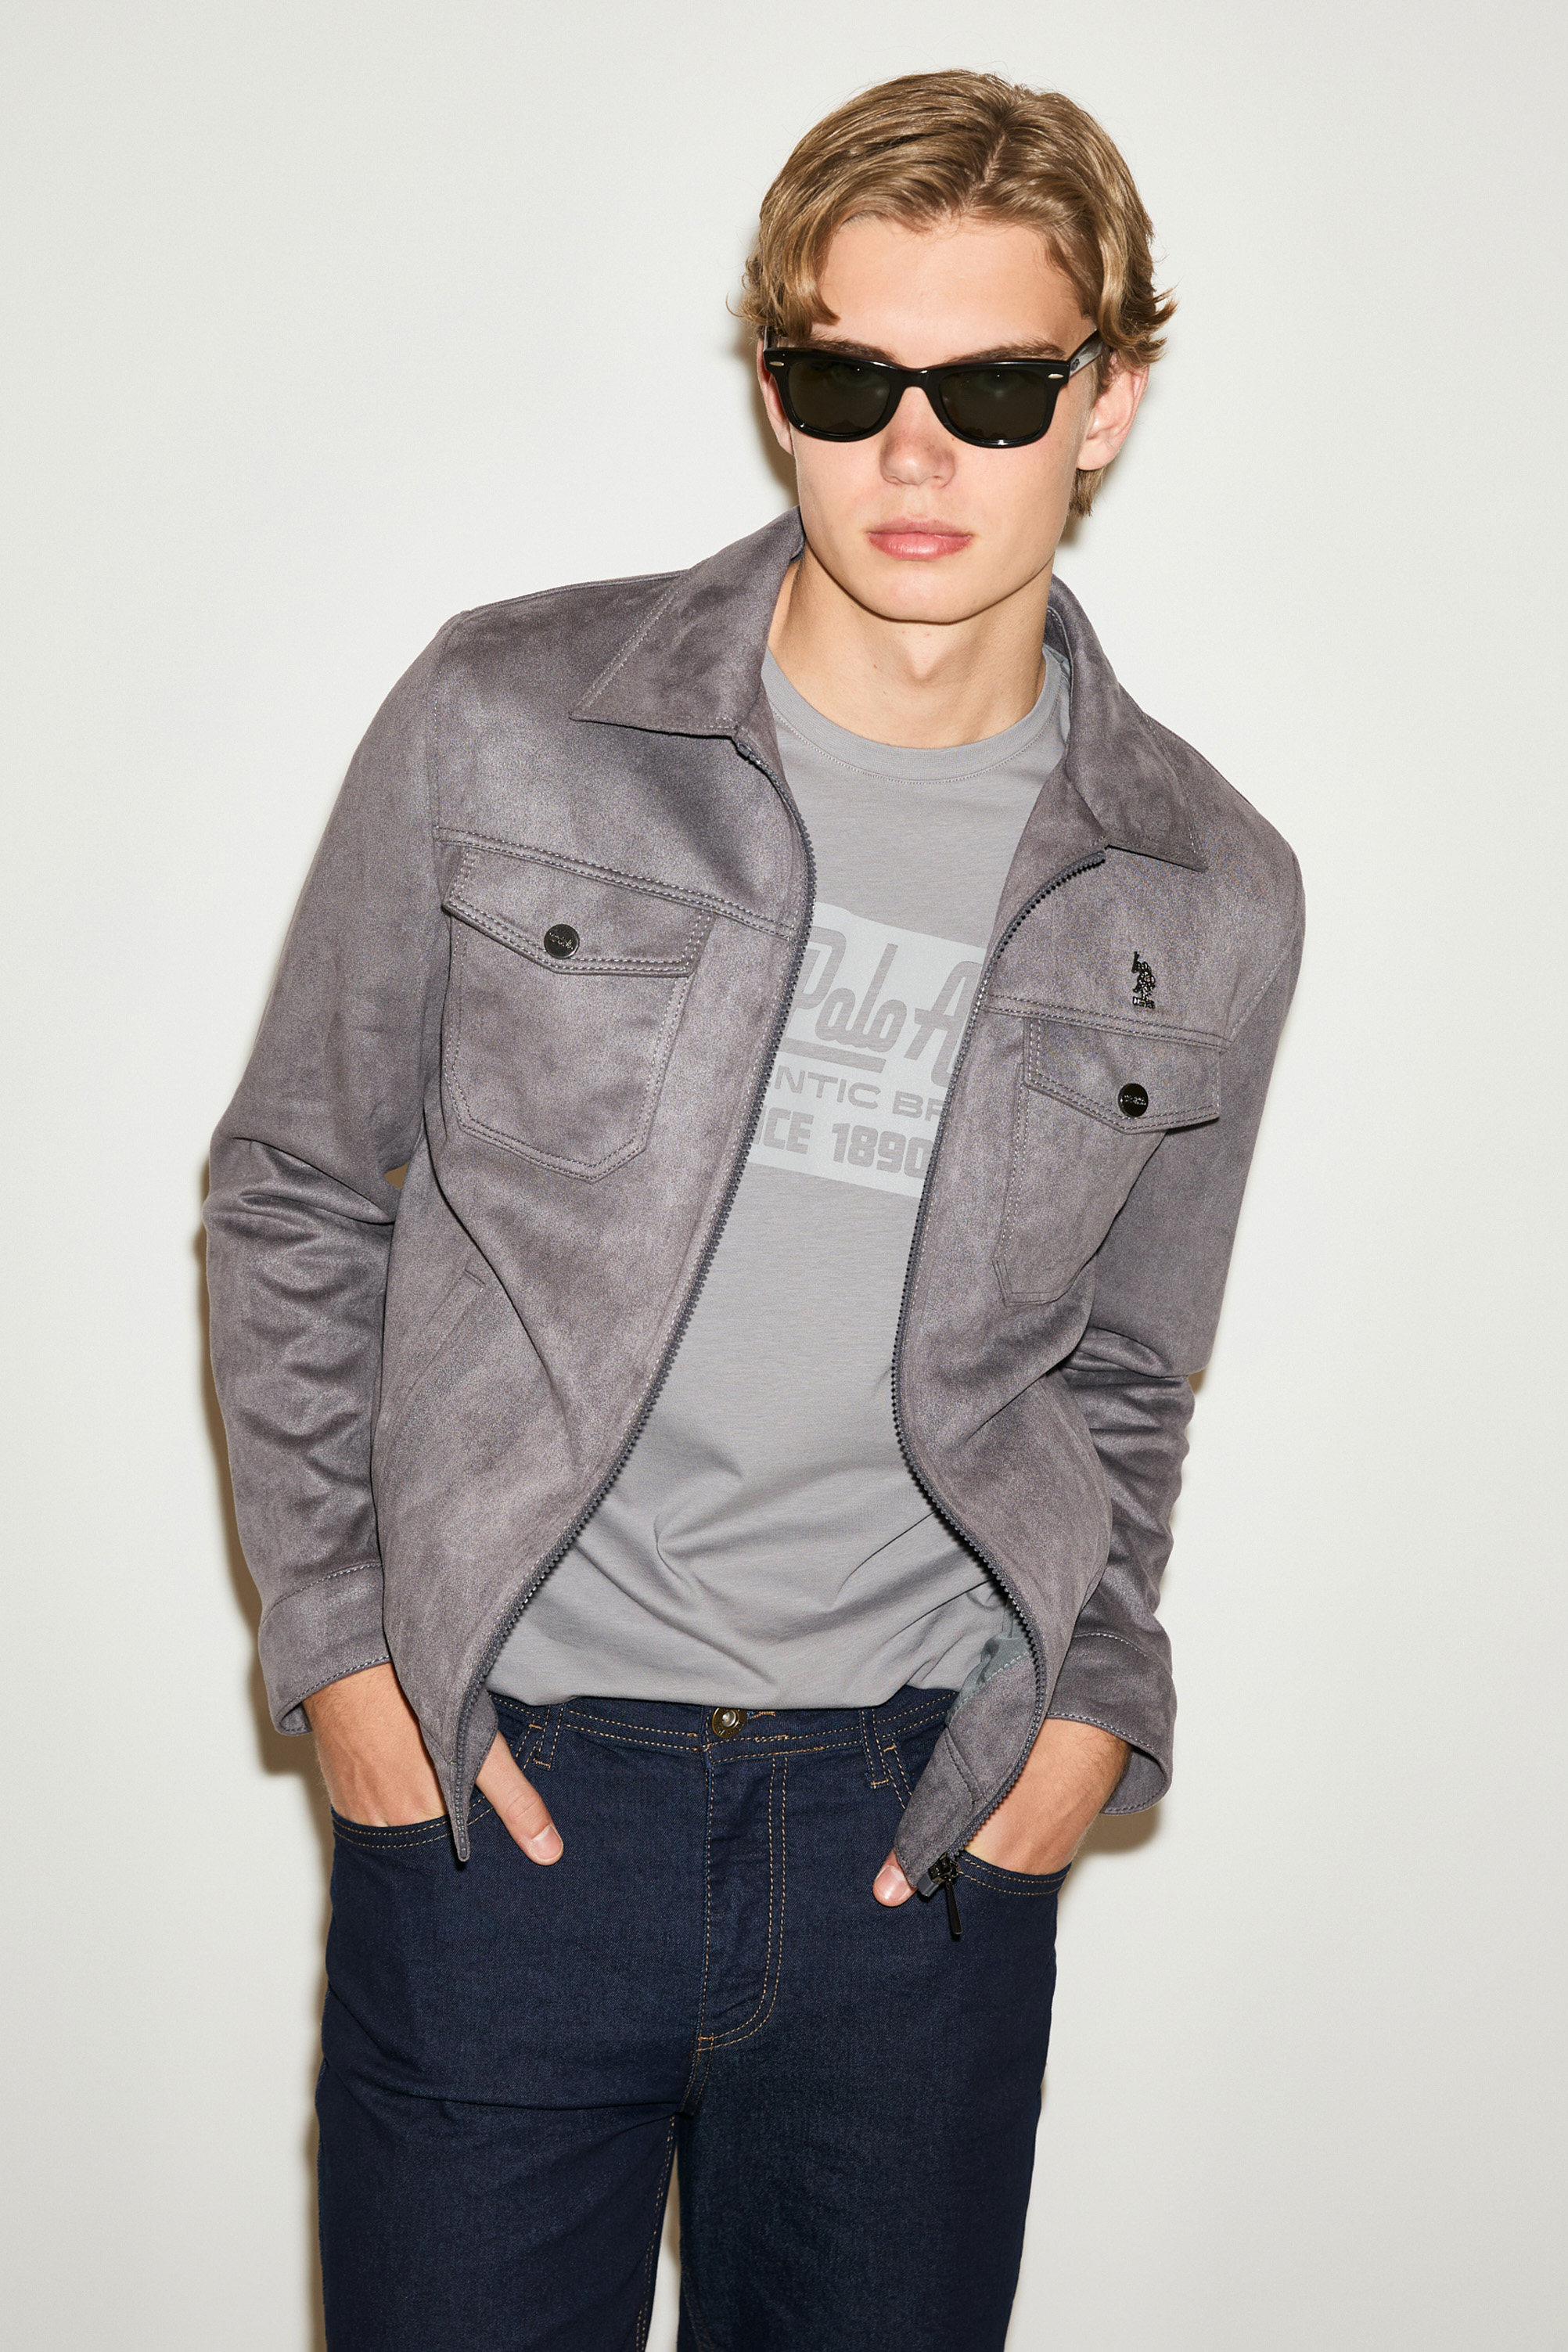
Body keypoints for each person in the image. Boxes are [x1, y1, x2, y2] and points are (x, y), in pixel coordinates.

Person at [205, 67, 1302, 2352]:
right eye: (847, 379)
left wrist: (1081, 1721)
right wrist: (347, 1657)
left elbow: (1126, 1370)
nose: (915, 455)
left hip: (917, 1832)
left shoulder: (1204, 888)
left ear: (1104, 403)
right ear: (777, 386)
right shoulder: (511, 721)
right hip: (513, 1798)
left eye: (992, 392)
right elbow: (298, 1182)